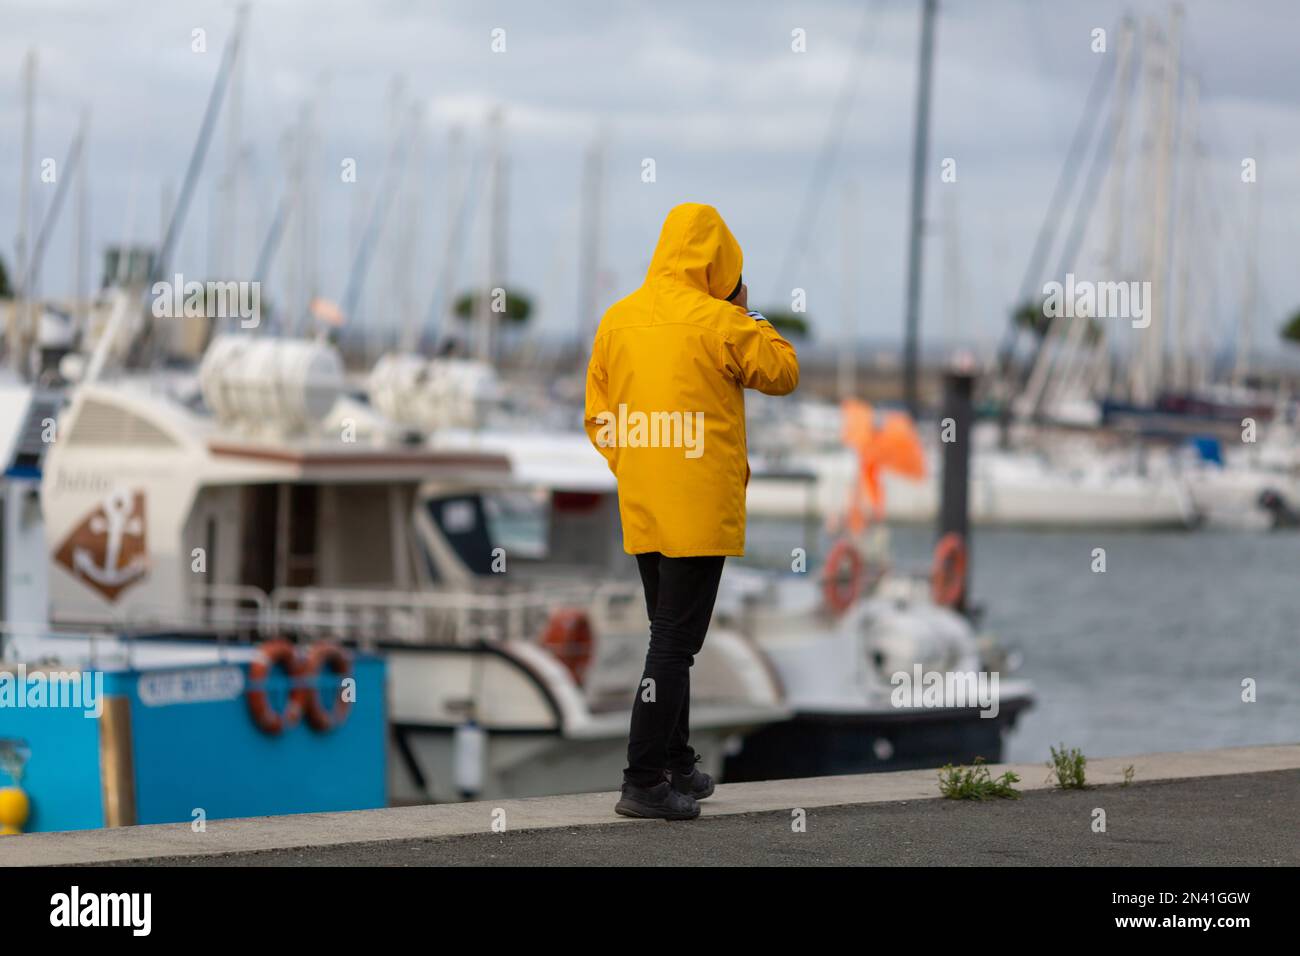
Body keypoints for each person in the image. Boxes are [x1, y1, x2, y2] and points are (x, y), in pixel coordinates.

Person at [584, 202, 800, 819]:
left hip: (645, 502)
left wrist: (633, 463)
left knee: (667, 637)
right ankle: (643, 779)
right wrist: (746, 310)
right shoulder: (721, 322)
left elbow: (598, 416)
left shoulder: (616, 320)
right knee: (675, 644)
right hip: (699, 506)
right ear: (721, 263)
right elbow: (783, 371)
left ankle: (676, 762)